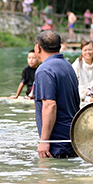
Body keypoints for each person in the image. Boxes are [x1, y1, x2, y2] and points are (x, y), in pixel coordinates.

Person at [33, 30, 79, 159]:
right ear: (60, 46)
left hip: (56, 143)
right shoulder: (68, 66)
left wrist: (44, 141)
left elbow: (50, 105)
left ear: (38, 48)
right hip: (73, 138)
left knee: (51, 178)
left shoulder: (44, 70)